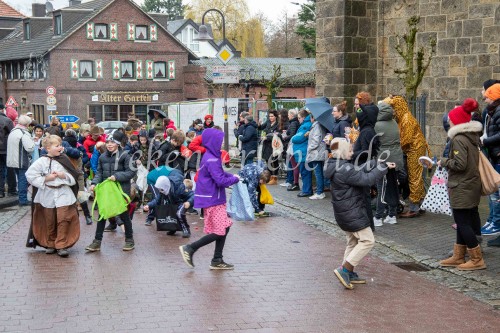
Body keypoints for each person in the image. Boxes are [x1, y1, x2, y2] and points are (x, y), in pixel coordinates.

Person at [324, 138, 393, 289]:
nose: (352, 152)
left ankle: (349, 272)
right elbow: (366, 179)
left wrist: (375, 163)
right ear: (342, 151)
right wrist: (382, 168)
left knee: (353, 242)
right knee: (368, 240)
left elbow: (358, 170)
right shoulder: (345, 169)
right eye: (349, 150)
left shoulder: (336, 165)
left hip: (344, 211)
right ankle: (345, 269)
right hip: (352, 212)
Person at [179, 128, 240, 270]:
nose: (221, 143)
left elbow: (219, 174)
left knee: (225, 226)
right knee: (219, 230)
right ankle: (190, 248)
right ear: (213, 141)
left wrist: (233, 176)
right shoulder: (212, 158)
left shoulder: (210, 156)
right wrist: (235, 180)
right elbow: (220, 180)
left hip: (212, 197)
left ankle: (217, 259)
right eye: (220, 140)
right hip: (213, 199)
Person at [438, 98, 486, 270]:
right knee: (464, 220)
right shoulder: (471, 136)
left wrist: (443, 161)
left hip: (462, 185)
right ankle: (458, 255)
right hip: (470, 184)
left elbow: (460, 164)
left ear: (456, 121)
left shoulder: (458, 139)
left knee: (463, 222)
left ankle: (476, 258)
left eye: (450, 118)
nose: (448, 121)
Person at [26, 135, 81, 257]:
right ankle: (50, 243)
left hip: (63, 193)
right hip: (47, 194)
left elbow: (74, 176)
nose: (60, 148)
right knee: (49, 219)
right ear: (48, 148)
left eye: (60, 145)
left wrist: (63, 175)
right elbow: (30, 175)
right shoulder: (41, 161)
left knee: (64, 219)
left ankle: (61, 244)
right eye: (57, 146)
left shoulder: (65, 159)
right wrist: (46, 178)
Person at [85, 131, 137, 252]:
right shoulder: (102, 156)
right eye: (107, 142)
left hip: (121, 191)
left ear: (118, 143)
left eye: (112, 142)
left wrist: (117, 176)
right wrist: (94, 183)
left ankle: (129, 240)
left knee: (124, 216)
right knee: (102, 215)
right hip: (106, 191)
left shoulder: (126, 155)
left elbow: (131, 172)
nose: (109, 144)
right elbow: (99, 173)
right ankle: (97, 242)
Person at [384, 95, 431, 218]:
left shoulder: (406, 119)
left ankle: (414, 208)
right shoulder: (402, 117)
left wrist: (394, 144)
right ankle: (419, 204)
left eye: (393, 108)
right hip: (413, 148)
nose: (392, 111)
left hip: (414, 149)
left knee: (414, 177)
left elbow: (406, 139)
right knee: (416, 176)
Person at [373, 101, 404, 226]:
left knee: (382, 189)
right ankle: (392, 215)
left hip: (383, 158)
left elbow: (374, 142)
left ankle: (378, 217)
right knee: (392, 187)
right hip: (396, 157)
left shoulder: (376, 125)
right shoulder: (394, 122)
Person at [143, 170, 194, 238]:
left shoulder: (179, 187)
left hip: (183, 202)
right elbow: (157, 200)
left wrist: (189, 202)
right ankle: (173, 228)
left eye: (161, 189)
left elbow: (192, 195)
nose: (160, 190)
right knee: (167, 210)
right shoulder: (163, 189)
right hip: (173, 202)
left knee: (179, 213)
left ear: (165, 186)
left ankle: (186, 229)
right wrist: (149, 205)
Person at [480, 83, 500, 246]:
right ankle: (493, 221)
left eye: (486, 96)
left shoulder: (497, 111)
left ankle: (496, 223)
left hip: (498, 156)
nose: (484, 99)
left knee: (496, 193)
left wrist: (486, 141)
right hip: (494, 156)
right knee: (494, 193)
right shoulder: (492, 111)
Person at [7, 115, 35, 206]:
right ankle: (23, 200)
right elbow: (30, 148)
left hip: (12, 160)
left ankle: (21, 198)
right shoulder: (24, 133)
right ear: (27, 124)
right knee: (23, 180)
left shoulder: (13, 131)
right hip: (21, 160)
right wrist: (33, 142)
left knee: (19, 179)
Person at [305, 112, 327, 200]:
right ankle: (320, 191)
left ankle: (320, 192)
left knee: (318, 173)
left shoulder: (316, 126)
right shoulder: (318, 125)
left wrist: (309, 148)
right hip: (318, 152)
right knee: (319, 172)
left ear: (313, 118)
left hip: (316, 152)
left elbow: (316, 140)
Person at [291, 109, 312, 197]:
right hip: (301, 151)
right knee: (304, 172)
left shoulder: (305, 126)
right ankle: (306, 189)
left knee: (305, 172)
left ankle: (306, 190)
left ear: (303, 118)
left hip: (303, 152)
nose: (298, 120)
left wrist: (293, 137)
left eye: (299, 118)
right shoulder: (304, 125)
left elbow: (298, 138)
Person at [280, 108, 300, 191]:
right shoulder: (294, 123)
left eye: (289, 114)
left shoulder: (293, 123)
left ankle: (291, 181)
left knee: (291, 164)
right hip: (290, 145)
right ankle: (290, 180)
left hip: (291, 146)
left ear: (292, 115)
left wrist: (285, 137)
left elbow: (292, 134)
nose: (288, 116)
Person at [258, 110, 280, 184]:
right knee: (268, 161)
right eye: (270, 116)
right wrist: (259, 124)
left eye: (272, 116)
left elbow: (277, 135)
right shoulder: (267, 122)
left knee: (274, 161)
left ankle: (274, 178)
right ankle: (269, 177)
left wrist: (267, 138)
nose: (270, 118)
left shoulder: (278, 124)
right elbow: (261, 128)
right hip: (266, 145)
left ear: (275, 117)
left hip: (274, 145)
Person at [0, 103, 16, 198]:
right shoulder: (7, 120)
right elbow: (13, 134)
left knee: (0, 170)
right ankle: (12, 190)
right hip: (6, 149)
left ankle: (0, 192)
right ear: (2, 110)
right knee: (10, 169)